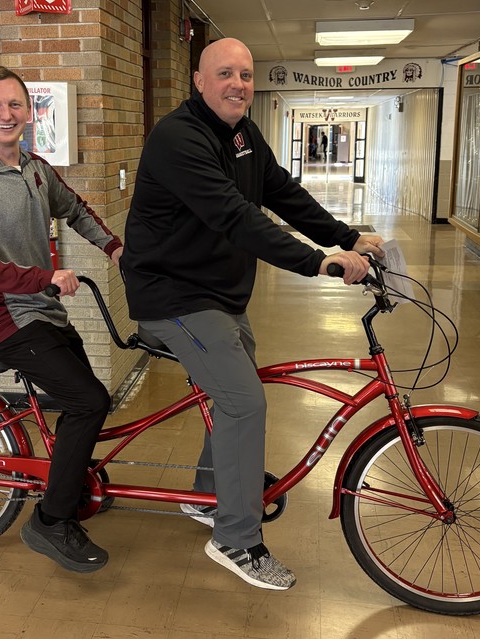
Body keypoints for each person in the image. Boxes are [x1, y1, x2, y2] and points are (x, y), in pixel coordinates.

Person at [122, 38, 383, 591]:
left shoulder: (242, 132)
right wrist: (317, 262)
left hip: (218, 295)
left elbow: (281, 191)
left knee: (232, 392)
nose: (237, 84)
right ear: (199, 81)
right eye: (224, 74)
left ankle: (208, 496)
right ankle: (236, 538)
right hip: (173, 297)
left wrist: (347, 237)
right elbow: (235, 217)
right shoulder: (178, 138)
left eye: (245, 74)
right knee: (244, 402)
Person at [0, 65, 123, 573]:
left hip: (41, 311)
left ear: (28, 111)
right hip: (1, 319)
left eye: (14, 104)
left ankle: (70, 481)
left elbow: (75, 208)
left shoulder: (35, 168)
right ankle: (50, 521)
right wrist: (40, 278)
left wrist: (115, 249)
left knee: (90, 398)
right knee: (88, 401)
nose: (6, 114)